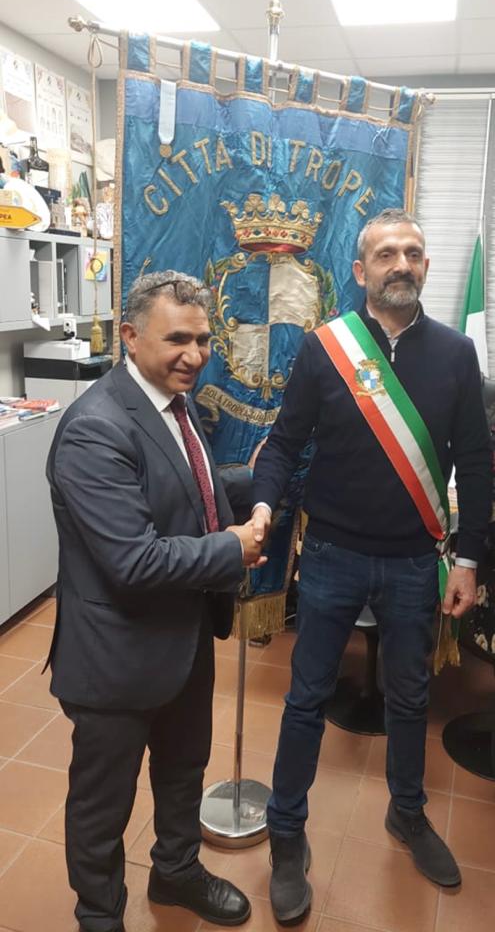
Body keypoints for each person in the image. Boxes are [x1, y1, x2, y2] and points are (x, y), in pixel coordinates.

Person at [251, 208, 492, 924]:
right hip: (330, 556)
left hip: (416, 562)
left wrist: (469, 559)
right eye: (386, 253)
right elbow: (285, 442)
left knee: (410, 700)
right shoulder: (325, 348)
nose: (402, 263)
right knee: (305, 699)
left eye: (413, 252)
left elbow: (476, 462)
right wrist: (262, 510)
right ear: (360, 271)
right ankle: (286, 832)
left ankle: (406, 813)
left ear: (426, 267)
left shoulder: (456, 354)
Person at [45, 270, 267, 932]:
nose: (194, 356)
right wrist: (232, 548)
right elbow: (134, 560)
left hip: (183, 637)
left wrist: (249, 479)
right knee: (102, 804)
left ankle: (175, 871)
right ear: (130, 336)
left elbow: (183, 490)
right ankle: (99, 916)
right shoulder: (94, 428)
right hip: (115, 658)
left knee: (182, 770)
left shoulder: (175, 402)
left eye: (203, 340)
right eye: (177, 340)